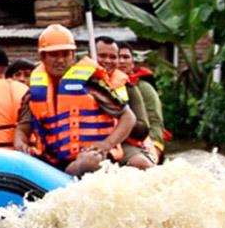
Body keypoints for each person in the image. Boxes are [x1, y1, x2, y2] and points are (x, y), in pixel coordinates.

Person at [14, 24, 136, 176]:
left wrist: (106, 145)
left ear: (72, 56)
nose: (60, 60)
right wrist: (20, 143)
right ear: (42, 57)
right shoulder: (33, 93)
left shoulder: (91, 83)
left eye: (65, 55)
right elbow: (23, 128)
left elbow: (128, 117)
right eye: (54, 55)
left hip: (91, 156)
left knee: (87, 162)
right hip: (53, 160)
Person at [95, 36, 154, 169]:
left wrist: (118, 119)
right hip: (86, 141)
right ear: (91, 56)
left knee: (140, 163)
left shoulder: (129, 88)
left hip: (123, 144)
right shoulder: (77, 84)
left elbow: (143, 129)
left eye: (113, 57)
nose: (108, 61)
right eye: (102, 56)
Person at [118, 42, 165, 163]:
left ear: (133, 63)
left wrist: (155, 150)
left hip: (138, 142)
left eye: (126, 57)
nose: (121, 61)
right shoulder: (99, 84)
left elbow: (155, 122)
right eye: (117, 57)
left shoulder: (143, 88)